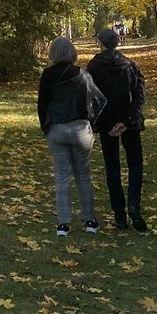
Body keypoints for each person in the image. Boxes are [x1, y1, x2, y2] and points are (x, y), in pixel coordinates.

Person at [37, 37, 106, 238]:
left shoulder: (48, 75)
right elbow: (98, 99)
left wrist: (46, 127)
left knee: (61, 177)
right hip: (80, 129)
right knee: (83, 175)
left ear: (53, 53)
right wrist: (92, 123)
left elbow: (42, 105)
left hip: (57, 130)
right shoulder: (82, 74)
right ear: (72, 52)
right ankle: (90, 220)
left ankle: (63, 224)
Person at [87, 27, 147, 232]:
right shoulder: (130, 65)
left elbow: (93, 99)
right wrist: (127, 120)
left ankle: (119, 215)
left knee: (112, 167)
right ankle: (134, 204)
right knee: (135, 164)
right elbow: (139, 95)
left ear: (101, 44)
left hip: (107, 125)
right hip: (130, 124)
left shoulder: (93, 67)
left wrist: (109, 122)